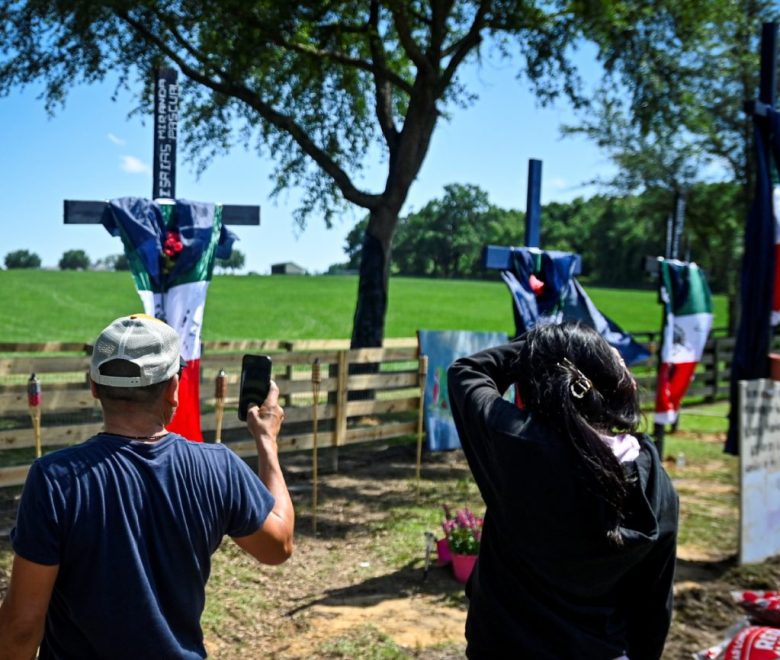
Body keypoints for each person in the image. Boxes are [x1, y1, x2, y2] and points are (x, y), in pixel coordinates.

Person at [0, 314, 294, 659]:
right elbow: (279, 546)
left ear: (94, 386)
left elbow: (21, 628)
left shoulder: (54, 478)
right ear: (173, 389)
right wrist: (267, 442)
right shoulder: (219, 466)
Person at [447, 321, 678, 660]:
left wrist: (545, 341)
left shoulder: (517, 447)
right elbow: (654, 604)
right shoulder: (656, 481)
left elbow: (467, 371)